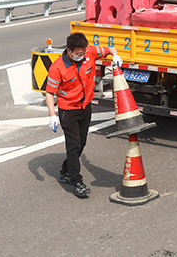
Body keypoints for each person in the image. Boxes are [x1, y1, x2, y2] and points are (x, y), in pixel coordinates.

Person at [45, 32, 122, 198]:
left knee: (81, 144)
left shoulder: (90, 52)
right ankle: (77, 182)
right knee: (73, 146)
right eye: (78, 53)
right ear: (69, 51)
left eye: (83, 52)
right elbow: (50, 93)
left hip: (85, 107)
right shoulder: (58, 67)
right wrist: (52, 114)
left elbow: (110, 49)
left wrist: (115, 56)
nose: (82, 55)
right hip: (68, 110)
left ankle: (65, 171)